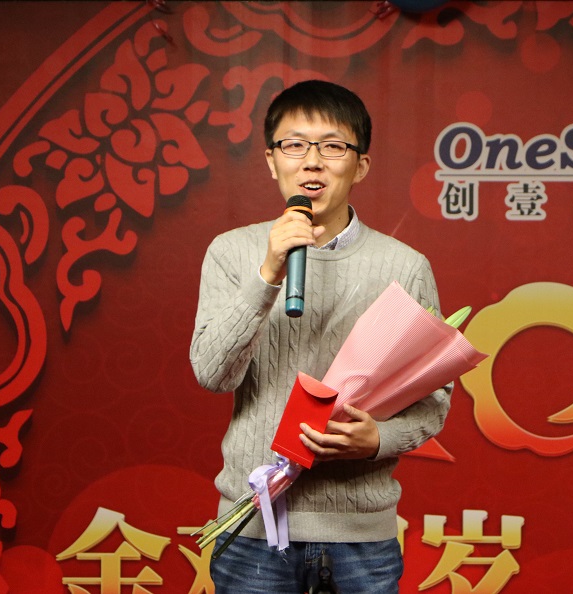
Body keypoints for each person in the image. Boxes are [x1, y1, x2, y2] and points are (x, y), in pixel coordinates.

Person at [190, 79, 451, 593]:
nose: (312, 162)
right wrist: (267, 274)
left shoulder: (404, 266)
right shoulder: (232, 252)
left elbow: (434, 398)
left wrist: (378, 440)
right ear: (272, 161)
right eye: (294, 145)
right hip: (254, 525)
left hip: (361, 536)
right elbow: (213, 374)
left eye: (333, 146)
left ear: (361, 165)